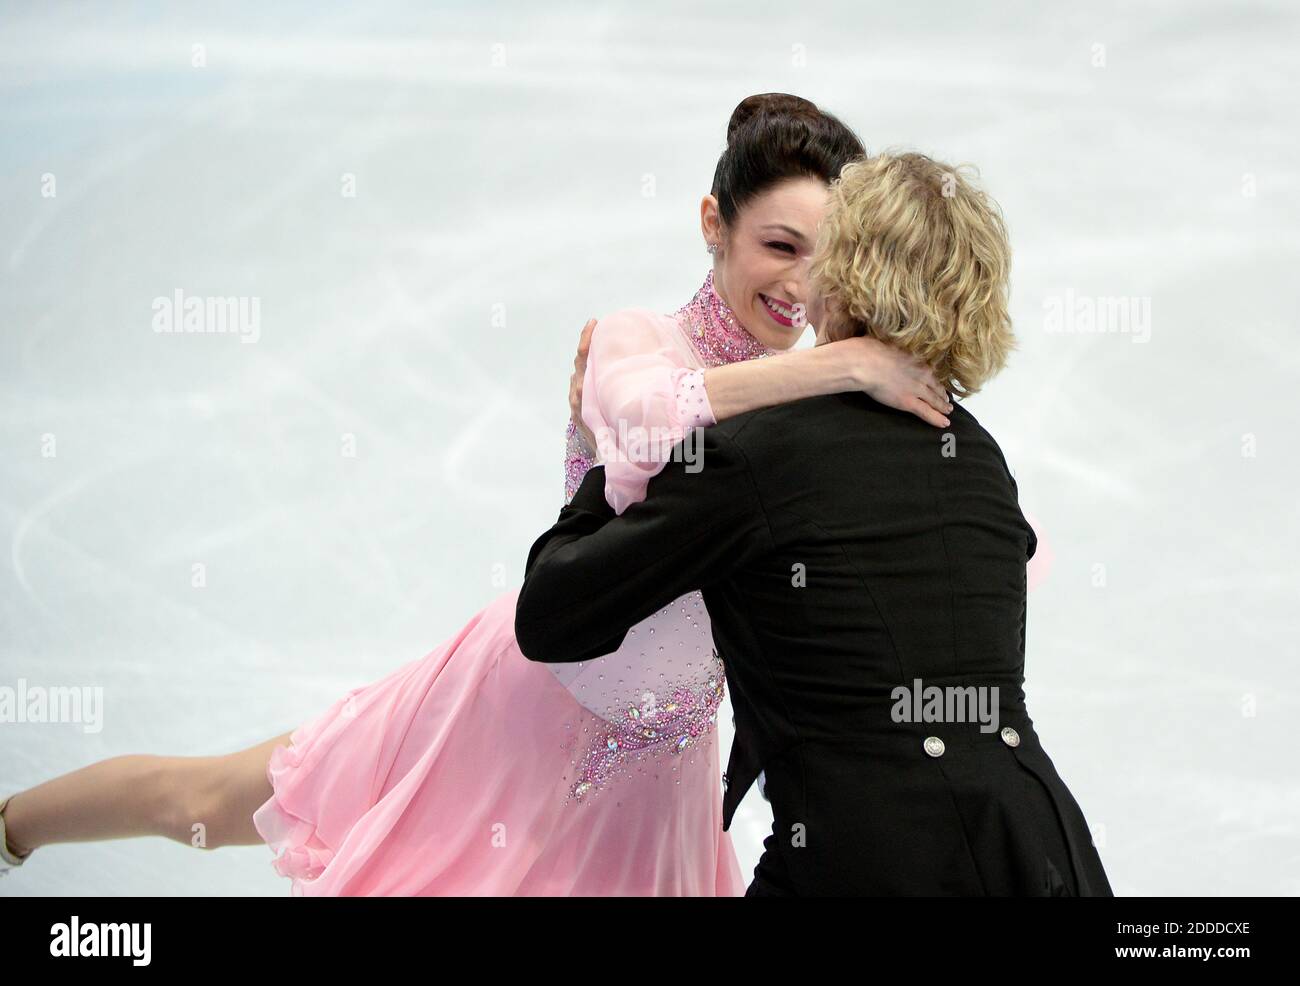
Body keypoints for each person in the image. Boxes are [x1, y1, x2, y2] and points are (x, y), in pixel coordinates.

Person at [0, 95, 951, 894]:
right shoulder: (641, 339)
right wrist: (844, 367)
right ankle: (11, 826)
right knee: (210, 803)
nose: (798, 284)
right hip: (517, 709)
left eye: (822, 262)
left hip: (663, 775)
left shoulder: (826, 395)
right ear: (714, 224)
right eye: (778, 245)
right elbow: (655, 421)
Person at [515, 151, 1115, 896]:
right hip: (1040, 849)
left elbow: (551, 614)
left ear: (844, 273)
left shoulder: (755, 456)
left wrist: (608, 447)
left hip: (869, 861)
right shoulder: (977, 456)